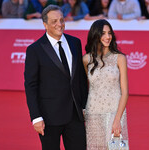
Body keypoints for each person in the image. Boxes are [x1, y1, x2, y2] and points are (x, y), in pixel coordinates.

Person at [24, 5, 88, 150]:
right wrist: (36, 117)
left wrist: (84, 105)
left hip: (75, 115)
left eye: (61, 20)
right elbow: (31, 85)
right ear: (45, 25)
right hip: (49, 117)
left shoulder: (75, 43)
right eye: (54, 21)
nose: (59, 24)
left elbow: (80, 78)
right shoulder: (35, 50)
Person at [83, 19, 129, 149]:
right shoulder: (86, 59)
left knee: (115, 148)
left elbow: (125, 92)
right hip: (93, 113)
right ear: (95, 34)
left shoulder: (119, 58)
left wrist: (117, 119)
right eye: (103, 33)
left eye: (109, 33)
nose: (108, 37)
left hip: (114, 112)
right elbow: (85, 88)